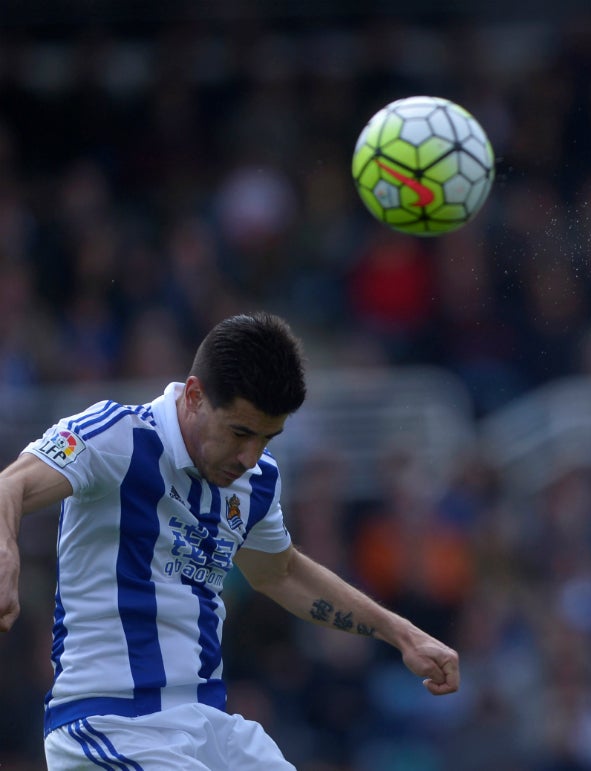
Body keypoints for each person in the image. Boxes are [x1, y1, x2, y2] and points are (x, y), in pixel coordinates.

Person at [0, 312, 460, 770]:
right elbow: (10, 485)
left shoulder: (258, 481)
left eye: (267, 437)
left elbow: (281, 572)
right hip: (109, 725)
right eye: (240, 432)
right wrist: (7, 553)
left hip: (207, 727)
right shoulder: (116, 436)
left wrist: (403, 635)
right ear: (196, 395)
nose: (250, 457)